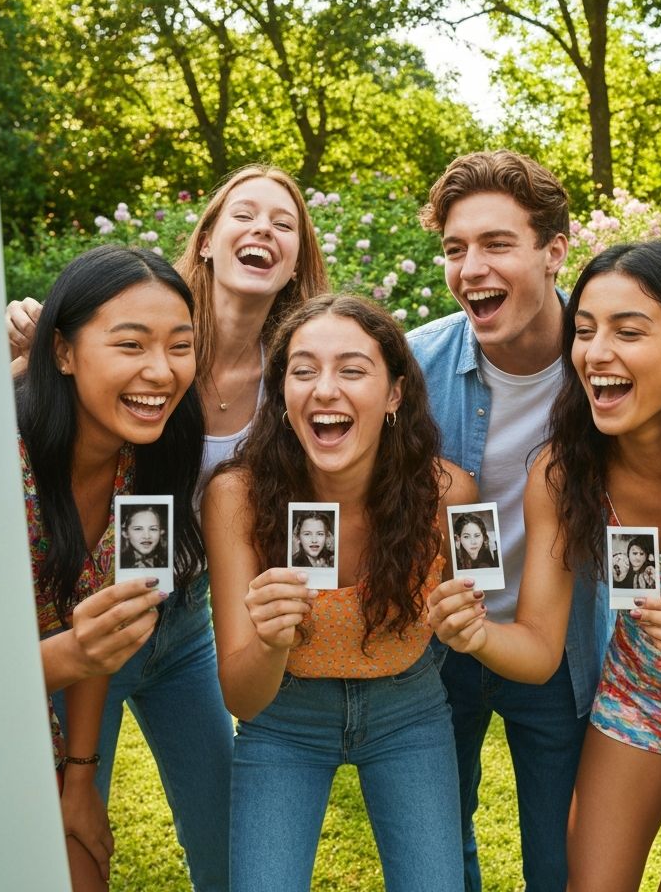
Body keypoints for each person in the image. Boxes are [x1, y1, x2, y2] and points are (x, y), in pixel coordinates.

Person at [406, 150, 661, 891]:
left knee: (556, 863)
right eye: (455, 248)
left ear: (552, 251)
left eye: (497, 243)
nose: (599, 352)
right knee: (446, 852)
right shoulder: (421, 375)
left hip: (633, 675)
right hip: (508, 653)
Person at [6, 164, 328, 890]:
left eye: (286, 223)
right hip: (53, 641)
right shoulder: (24, 449)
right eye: (245, 215)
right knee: (56, 851)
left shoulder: (294, 378)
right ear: (208, 239)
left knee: (228, 844)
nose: (159, 369)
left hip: (172, 623)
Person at [203, 294, 478, 892]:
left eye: (352, 369)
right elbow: (243, 699)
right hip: (282, 716)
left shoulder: (449, 494)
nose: (325, 388)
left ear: (396, 393)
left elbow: (480, 610)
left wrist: (467, 621)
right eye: (303, 371)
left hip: (410, 710)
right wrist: (272, 640)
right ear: (281, 395)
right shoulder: (237, 498)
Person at [16, 245, 205, 890]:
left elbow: (106, 634)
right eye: (131, 345)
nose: (161, 371)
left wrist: (79, 780)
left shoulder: (147, 462)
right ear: (63, 352)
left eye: (181, 346)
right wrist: (71, 654)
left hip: (41, 717)